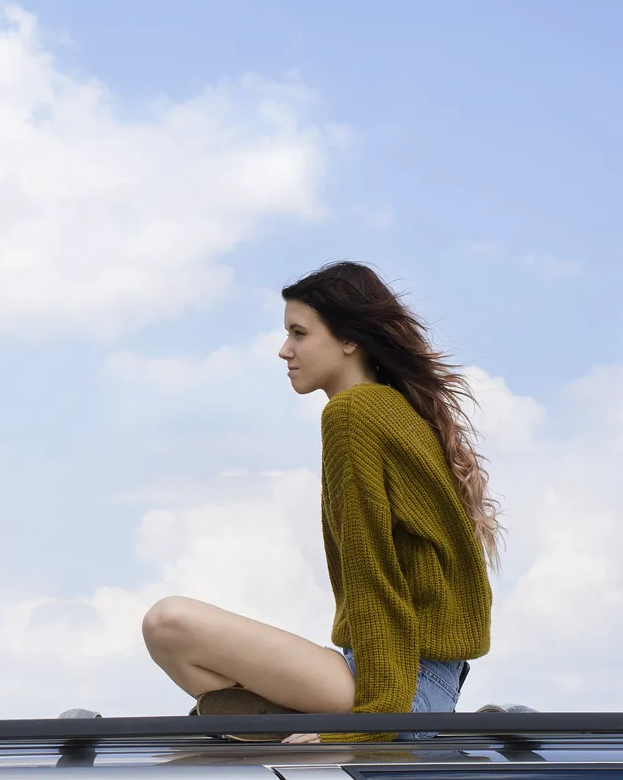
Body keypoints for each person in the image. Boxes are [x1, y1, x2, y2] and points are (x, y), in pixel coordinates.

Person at [141, 260, 502, 744]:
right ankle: (278, 723)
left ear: (349, 339)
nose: (284, 350)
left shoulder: (354, 414)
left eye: (299, 333)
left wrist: (370, 725)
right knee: (172, 633)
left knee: (169, 624)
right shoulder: (393, 409)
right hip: (414, 676)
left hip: (398, 686)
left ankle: (286, 723)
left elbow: (373, 573)